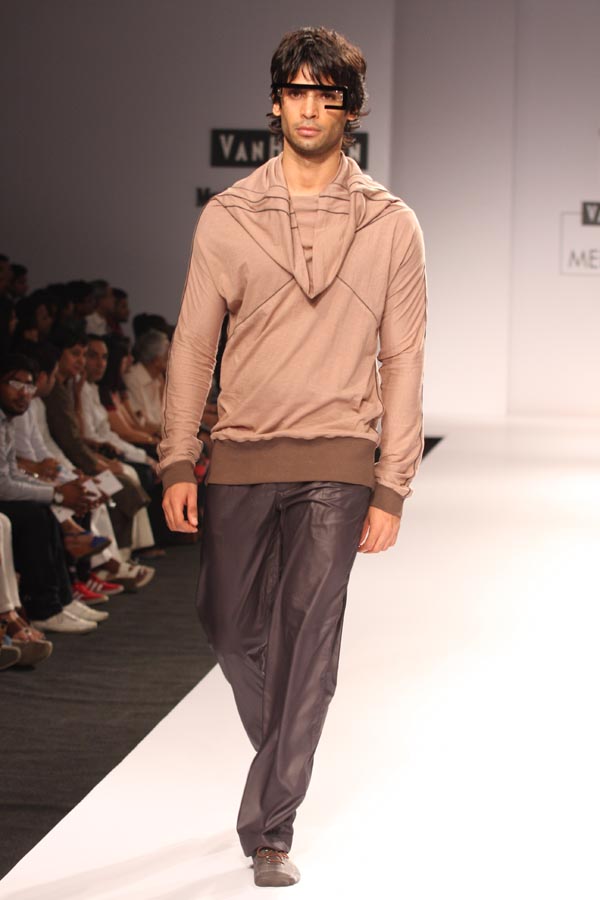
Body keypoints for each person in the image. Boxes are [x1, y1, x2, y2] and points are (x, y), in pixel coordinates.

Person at [158, 26, 427, 888]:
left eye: (328, 94)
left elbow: (404, 357)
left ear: (352, 109)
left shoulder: (391, 224)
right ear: (276, 103)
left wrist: (392, 483)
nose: (311, 108)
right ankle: (286, 742)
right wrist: (176, 457)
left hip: (340, 459)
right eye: (297, 91)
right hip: (240, 451)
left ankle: (271, 827)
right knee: (228, 625)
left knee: (308, 639)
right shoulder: (228, 217)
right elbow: (193, 347)